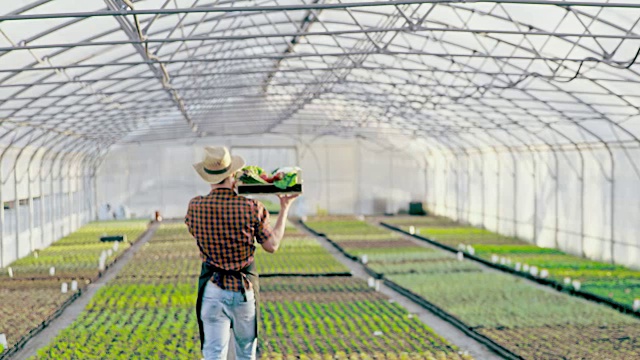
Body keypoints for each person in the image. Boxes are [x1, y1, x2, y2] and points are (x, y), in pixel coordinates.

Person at [185, 146, 298, 360]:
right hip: (243, 290)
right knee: (246, 353)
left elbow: (195, 230)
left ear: (208, 176)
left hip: (212, 289)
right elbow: (272, 245)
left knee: (213, 354)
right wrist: (284, 208)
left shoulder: (195, 207)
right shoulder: (252, 207)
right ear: (233, 175)